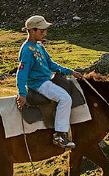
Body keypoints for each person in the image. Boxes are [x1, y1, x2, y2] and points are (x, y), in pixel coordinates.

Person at [16, 15, 83, 149]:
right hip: (39, 84)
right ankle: (59, 135)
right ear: (31, 31)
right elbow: (21, 73)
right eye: (41, 31)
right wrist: (22, 93)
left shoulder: (39, 46)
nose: (45, 33)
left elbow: (51, 64)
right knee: (65, 98)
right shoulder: (27, 50)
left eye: (45, 30)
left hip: (47, 80)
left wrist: (69, 72)